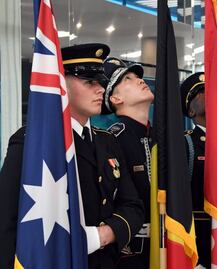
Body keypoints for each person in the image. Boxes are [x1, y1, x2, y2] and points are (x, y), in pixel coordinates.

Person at [0, 44, 144, 269]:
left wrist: (102, 235)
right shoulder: (33, 142)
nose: (100, 90)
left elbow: (133, 206)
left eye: (101, 83)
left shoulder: (107, 142)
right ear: (61, 85)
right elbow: (6, 220)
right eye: (89, 82)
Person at [101, 57, 154, 268]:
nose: (140, 80)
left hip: (170, 245)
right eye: (128, 79)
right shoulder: (113, 139)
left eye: (138, 76)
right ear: (115, 98)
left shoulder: (161, 136)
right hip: (130, 254)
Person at [180, 72, 210, 268]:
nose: (210, 93)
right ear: (190, 111)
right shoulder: (186, 143)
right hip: (201, 240)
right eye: (201, 91)